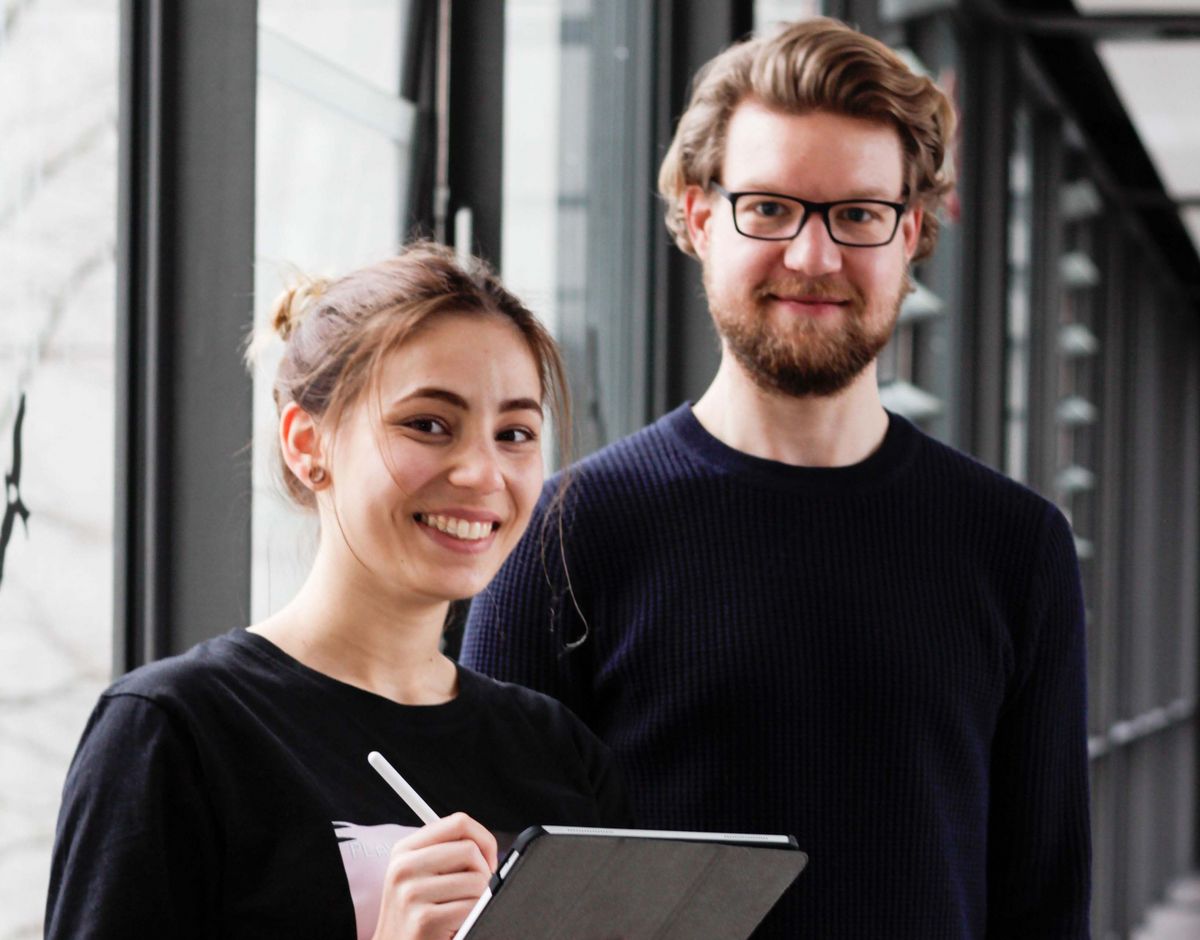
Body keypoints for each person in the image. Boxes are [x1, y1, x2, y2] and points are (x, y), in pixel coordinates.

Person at [461, 16, 1090, 939]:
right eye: (771, 208)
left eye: (859, 215)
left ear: (910, 234)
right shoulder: (566, 536)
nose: (813, 256)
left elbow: (1044, 903)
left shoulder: (1017, 546)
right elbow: (496, 907)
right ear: (699, 215)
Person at [46, 242, 631, 939]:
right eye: (428, 424)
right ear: (306, 442)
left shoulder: (559, 754)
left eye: (515, 433)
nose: (481, 472)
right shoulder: (174, 732)